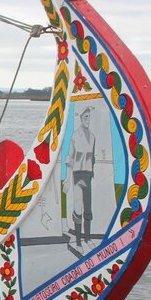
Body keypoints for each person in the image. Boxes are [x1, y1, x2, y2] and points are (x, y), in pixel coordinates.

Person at [66, 106, 96, 254]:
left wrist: (92, 173)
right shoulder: (75, 136)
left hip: (88, 175)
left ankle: (87, 238)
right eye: (85, 117)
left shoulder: (93, 137)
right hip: (77, 175)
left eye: (89, 117)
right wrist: (67, 179)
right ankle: (78, 241)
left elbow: (93, 157)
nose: (88, 120)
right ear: (81, 118)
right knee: (78, 209)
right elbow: (69, 159)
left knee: (88, 208)